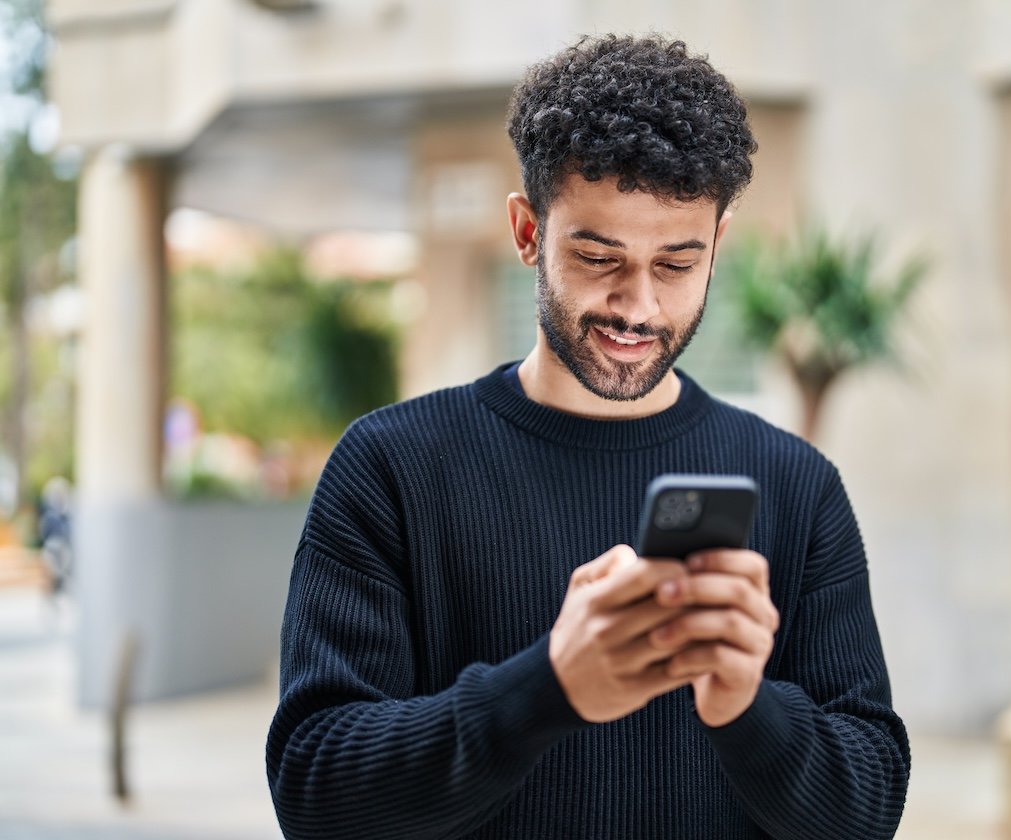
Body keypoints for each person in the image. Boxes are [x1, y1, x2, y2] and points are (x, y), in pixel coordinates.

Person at [266, 34, 910, 840]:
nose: (638, 307)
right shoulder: (390, 468)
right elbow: (317, 795)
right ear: (527, 230)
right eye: (599, 256)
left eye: (676, 264)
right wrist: (548, 688)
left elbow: (868, 813)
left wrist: (749, 709)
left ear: (719, 244)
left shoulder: (797, 488)